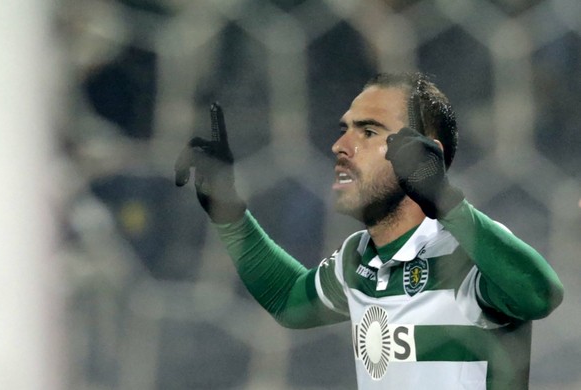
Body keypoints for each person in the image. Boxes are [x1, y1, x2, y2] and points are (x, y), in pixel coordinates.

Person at [174, 72, 564, 389]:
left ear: (426, 154)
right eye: (344, 129)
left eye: (368, 132)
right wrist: (229, 214)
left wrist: (444, 200)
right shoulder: (358, 258)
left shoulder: (467, 250)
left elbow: (540, 296)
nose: (339, 145)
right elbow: (289, 300)